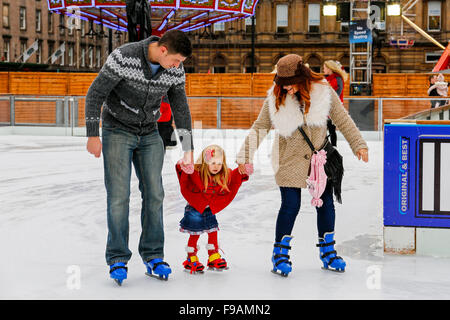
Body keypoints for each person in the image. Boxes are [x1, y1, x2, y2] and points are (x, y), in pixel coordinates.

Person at [236, 54, 369, 276]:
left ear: (302, 78)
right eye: (282, 83)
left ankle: (328, 251)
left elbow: (342, 118)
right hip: (288, 158)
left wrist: (358, 144)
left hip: (319, 158)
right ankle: (280, 253)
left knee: (326, 203)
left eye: (289, 83)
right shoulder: (275, 97)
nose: (285, 87)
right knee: (290, 204)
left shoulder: (322, 91)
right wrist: (245, 155)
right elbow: (260, 126)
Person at [85, 30, 194, 285]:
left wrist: (187, 147)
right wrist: (93, 134)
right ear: (163, 50)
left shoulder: (175, 70)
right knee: (119, 196)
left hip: (149, 133)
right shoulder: (124, 57)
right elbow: (95, 94)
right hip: (117, 130)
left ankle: (154, 255)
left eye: (180, 63)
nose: (177, 66)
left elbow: (181, 106)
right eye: (176, 60)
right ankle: (117, 258)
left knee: (155, 193)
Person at [175, 145, 252, 274]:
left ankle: (213, 255)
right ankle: (191, 258)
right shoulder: (195, 172)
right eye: (213, 163)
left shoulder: (222, 175)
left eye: (219, 163)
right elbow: (184, 174)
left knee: (213, 232)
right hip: (194, 209)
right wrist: (185, 166)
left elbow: (233, 177)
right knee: (195, 233)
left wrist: (241, 170)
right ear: (205, 162)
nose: (216, 166)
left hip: (209, 210)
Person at [323, 60, 348, 147]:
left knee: (331, 129)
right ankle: (324, 147)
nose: (323, 69)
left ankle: (333, 147)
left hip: (333, 108)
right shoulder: (325, 78)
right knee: (322, 130)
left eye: (325, 67)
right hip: (324, 108)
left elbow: (337, 94)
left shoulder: (338, 79)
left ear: (330, 68)